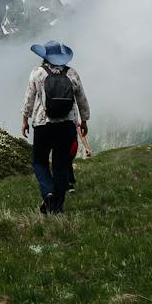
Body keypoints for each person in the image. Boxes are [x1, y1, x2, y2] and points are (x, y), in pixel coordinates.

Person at [21, 41, 90, 215]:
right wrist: (84, 121)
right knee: (61, 164)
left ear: (45, 56)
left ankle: (48, 191)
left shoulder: (37, 73)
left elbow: (29, 98)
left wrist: (25, 120)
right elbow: (81, 99)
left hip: (43, 124)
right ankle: (57, 207)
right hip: (66, 125)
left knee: (39, 161)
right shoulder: (72, 73)